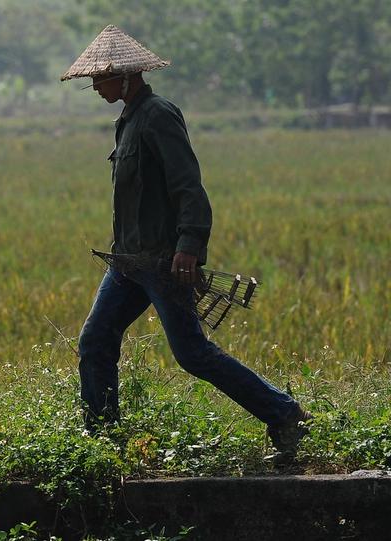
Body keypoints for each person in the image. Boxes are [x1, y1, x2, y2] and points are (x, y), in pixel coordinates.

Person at [61, 25, 312, 461]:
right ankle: (101, 444)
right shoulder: (128, 122)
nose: (95, 87)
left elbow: (188, 188)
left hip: (162, 262)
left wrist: (189, 246)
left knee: (192, 353)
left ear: (126, 75)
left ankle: (285, 414)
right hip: (127, 263)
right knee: (95, 342)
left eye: (100, 78)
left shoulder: (158, 115)